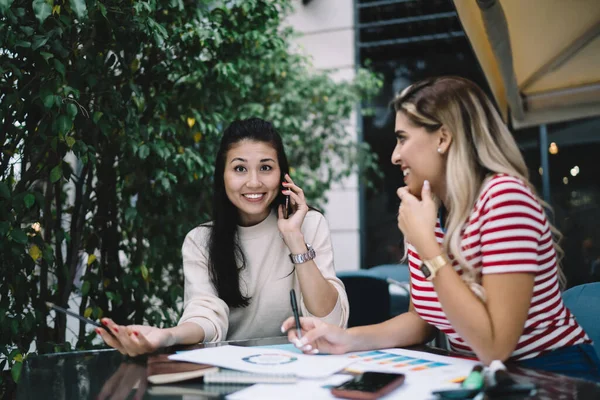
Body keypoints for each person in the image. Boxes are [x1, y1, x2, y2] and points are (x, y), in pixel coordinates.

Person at [282, 76, 600, 381]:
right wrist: (345, 338)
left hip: (554, 374)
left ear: (443, 138)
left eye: (402, 138)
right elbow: (421, 322)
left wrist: (426, 244)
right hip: (482, 376)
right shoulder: (430, 211)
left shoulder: (505, 198)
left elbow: (495, 347)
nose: (394, 156)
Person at [98, 117, 349, 355]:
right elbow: (206, 316)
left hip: (299, 369)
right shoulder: (200, 241)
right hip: (229, 374)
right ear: (222, 175)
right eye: (240, 168)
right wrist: (167, 336)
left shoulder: (309, 224)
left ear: (283, 176)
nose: (253, 182)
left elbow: (329, 321)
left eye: (265, 168)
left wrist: (294, 239)